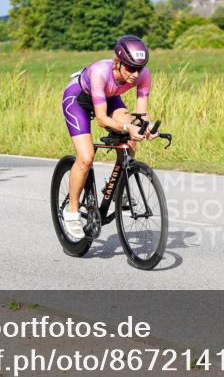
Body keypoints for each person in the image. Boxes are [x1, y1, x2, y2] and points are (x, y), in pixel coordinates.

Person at [60, 35, 155, 238]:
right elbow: (102, 119)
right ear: (118, 63)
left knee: (131, 134)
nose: (135, 74)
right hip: (78, 100)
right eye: (130, 68)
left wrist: (147, 126)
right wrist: (127, 127)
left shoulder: (143, 74)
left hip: (109, 98)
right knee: (85, 158)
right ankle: (72, 210)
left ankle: (118, 186)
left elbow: (141, 115)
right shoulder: (100, 71)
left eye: (139, 68)